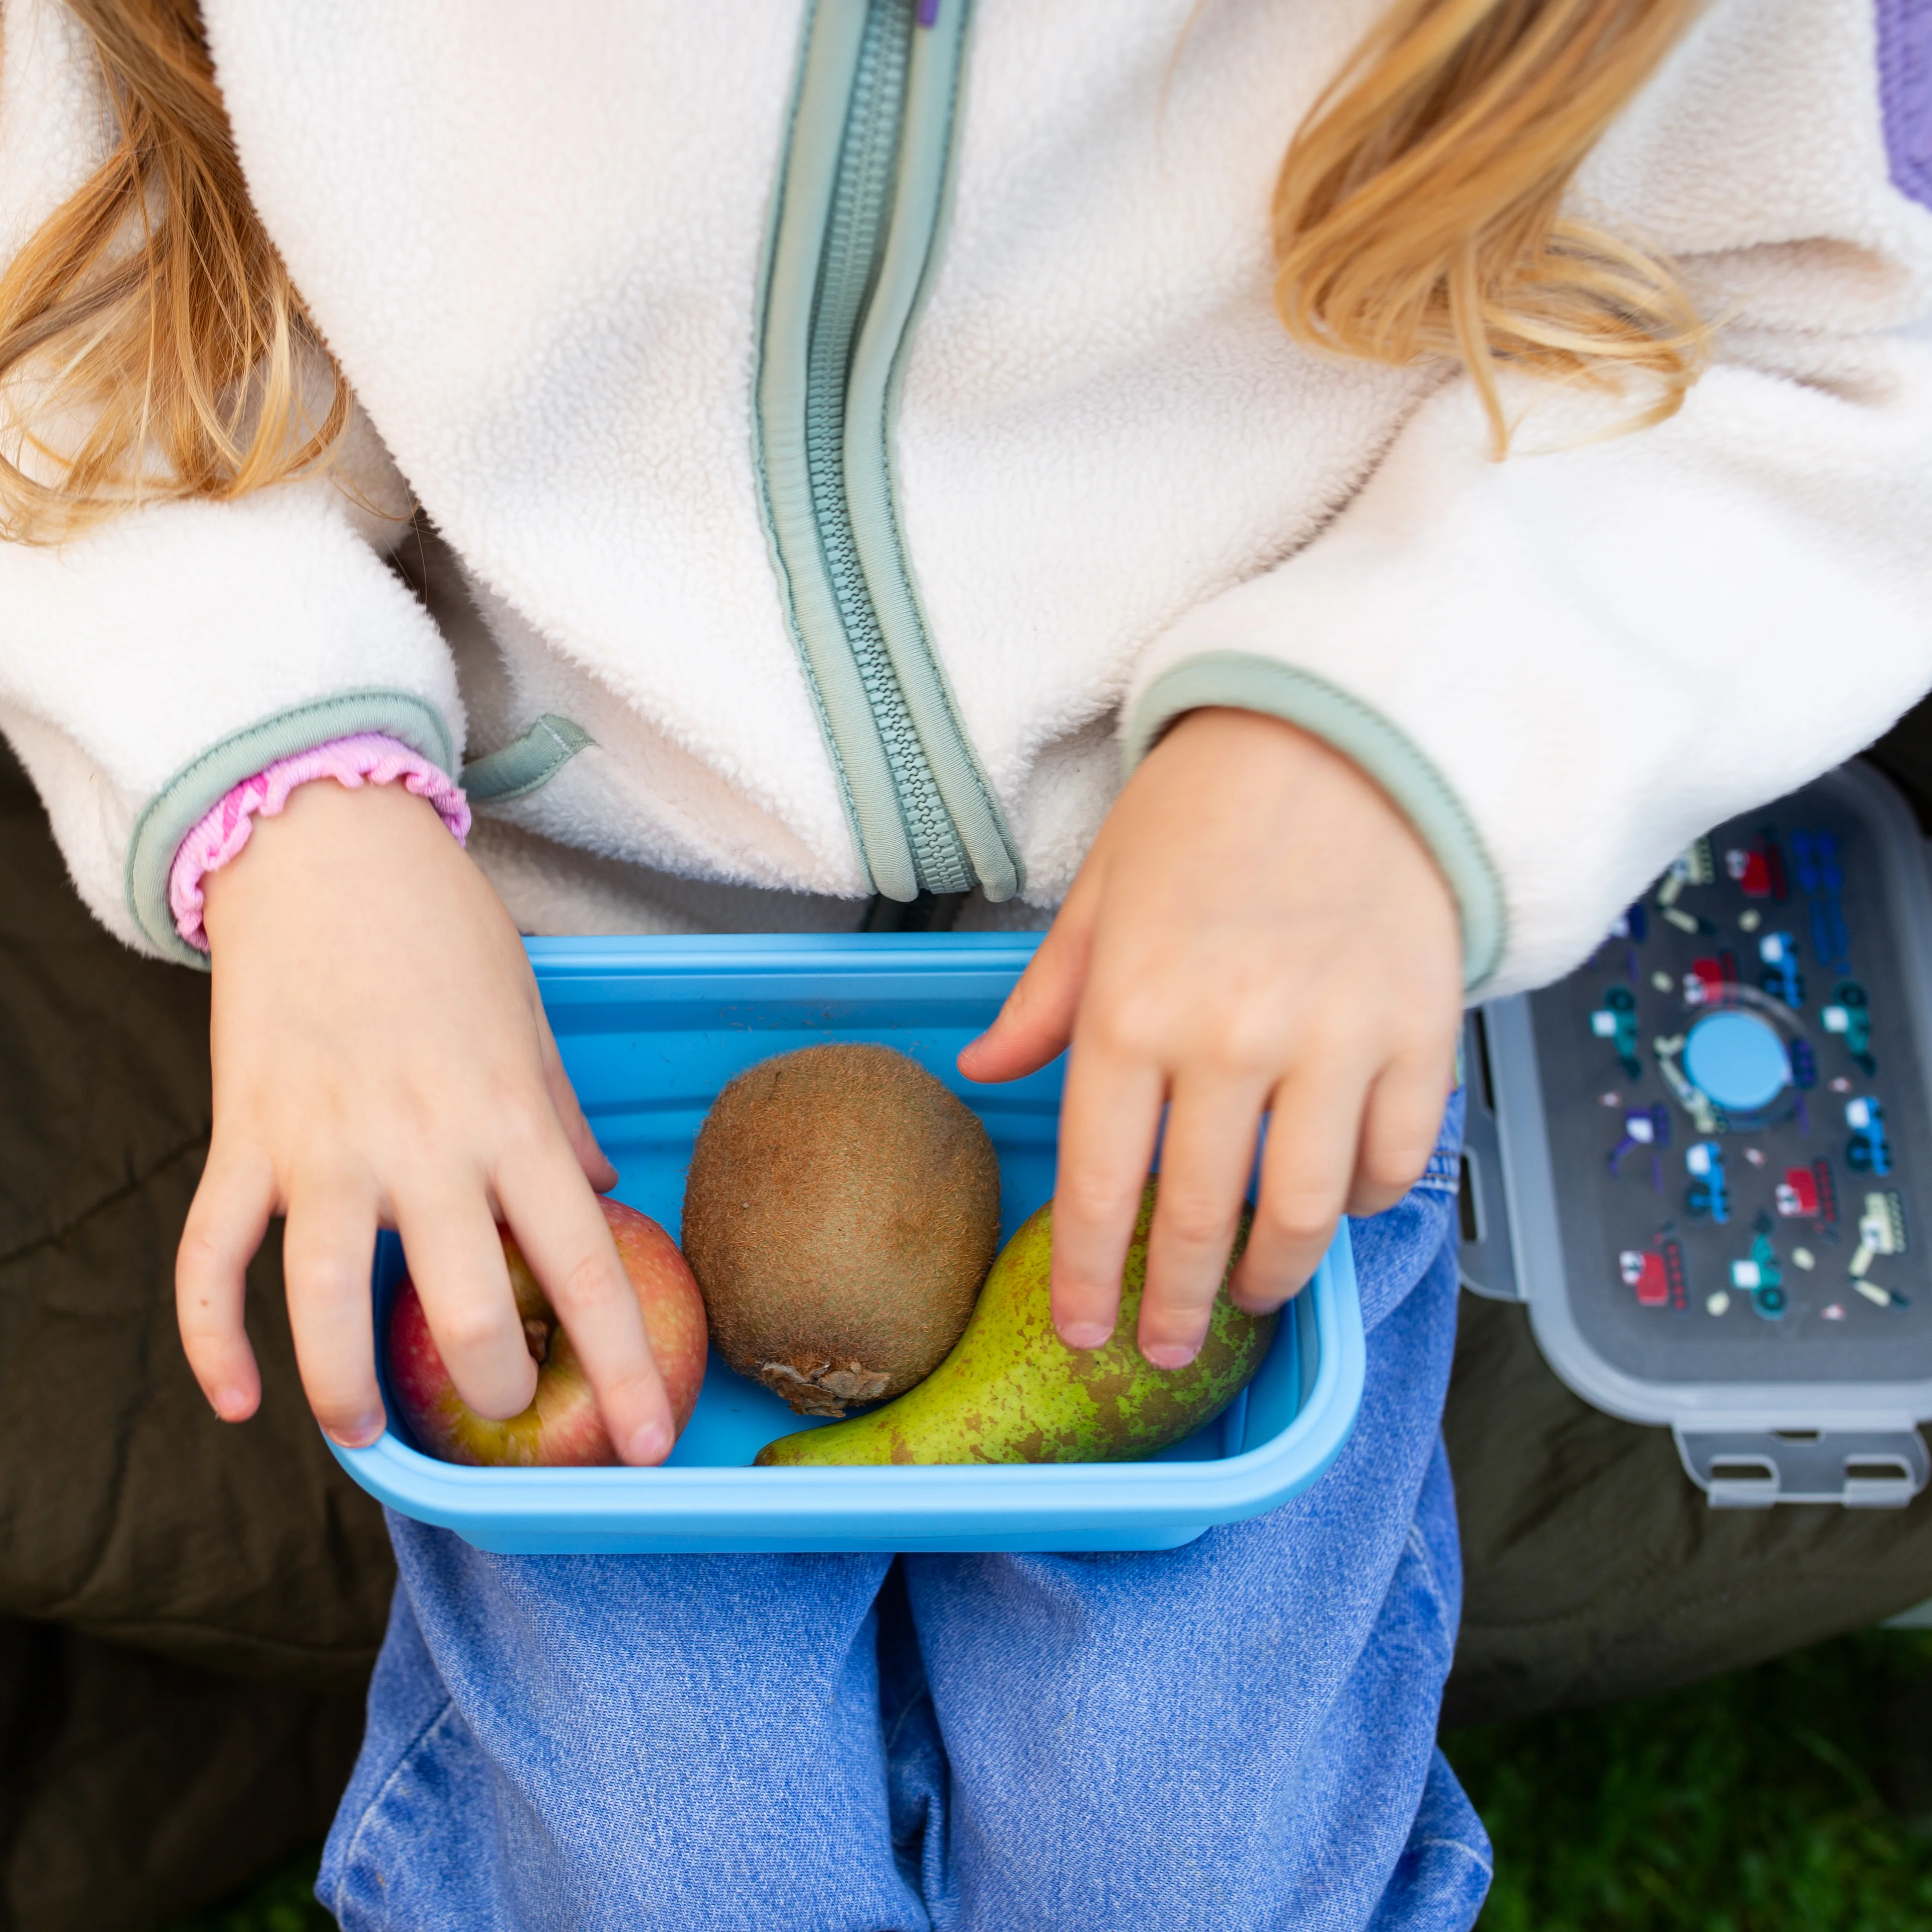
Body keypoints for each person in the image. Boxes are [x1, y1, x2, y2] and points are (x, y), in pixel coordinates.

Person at [3, 0, 1929, 1925]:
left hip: (1232, 985)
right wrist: (272, 764)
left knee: (1182, 1863)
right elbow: (62, 288)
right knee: (668, 1874)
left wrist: (1389, 725)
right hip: (556, 999)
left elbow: (1840, 344)